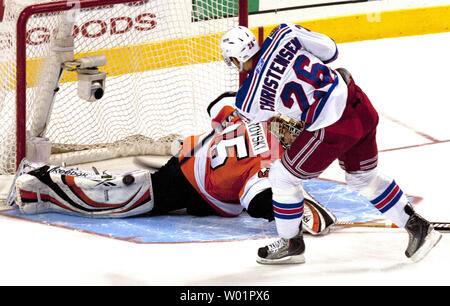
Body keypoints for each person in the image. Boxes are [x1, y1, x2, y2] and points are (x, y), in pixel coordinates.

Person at [220, 24, 442, 264]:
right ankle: (419, 227)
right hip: (357, 101)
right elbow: (331, 52)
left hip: (332, 127)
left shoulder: (246, 99)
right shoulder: (284, 33)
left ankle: (291, 243)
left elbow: (268, 126)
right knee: (363, 178)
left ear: (234, 58)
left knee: (282, 177)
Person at [7, 92, 336, 236]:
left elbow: (217, 108)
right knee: (122, 197)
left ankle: (43, 183)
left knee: (132, 186)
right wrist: (295, 213)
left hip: (189, 161)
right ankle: (36, 186)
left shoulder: (253, 115)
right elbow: (259, 200)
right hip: (191, 186)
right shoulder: (271, 161)